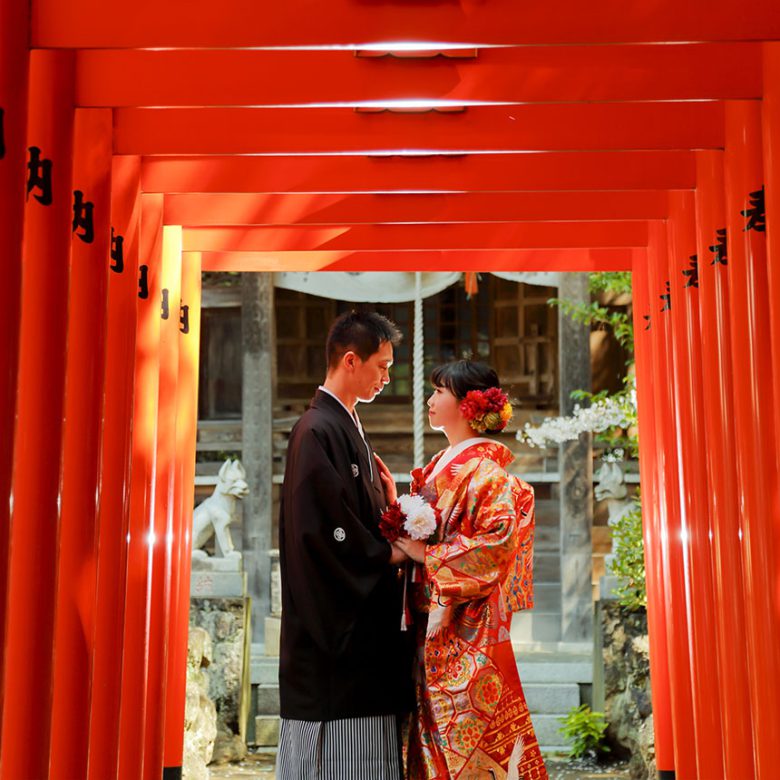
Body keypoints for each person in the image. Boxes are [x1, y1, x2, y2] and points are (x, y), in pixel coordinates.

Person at [393, 360, 549, 780]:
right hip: (432, 619)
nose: (429, 399)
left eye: (439, 391)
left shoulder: (485, 472)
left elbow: (498, 543)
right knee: (431, 732)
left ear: (467, 405)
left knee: (464, 732)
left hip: (464, 624)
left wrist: (427, 556)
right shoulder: (444, 463)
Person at [276, 310, 415, 780]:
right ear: (351, 360)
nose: (387, 376)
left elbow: (352, 515)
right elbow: (322, 529)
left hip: (362, 636)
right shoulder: (316, 430)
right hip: (333, 638)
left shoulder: (345, 424)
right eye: (383, 365)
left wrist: (390, 504)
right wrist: (388, 552)